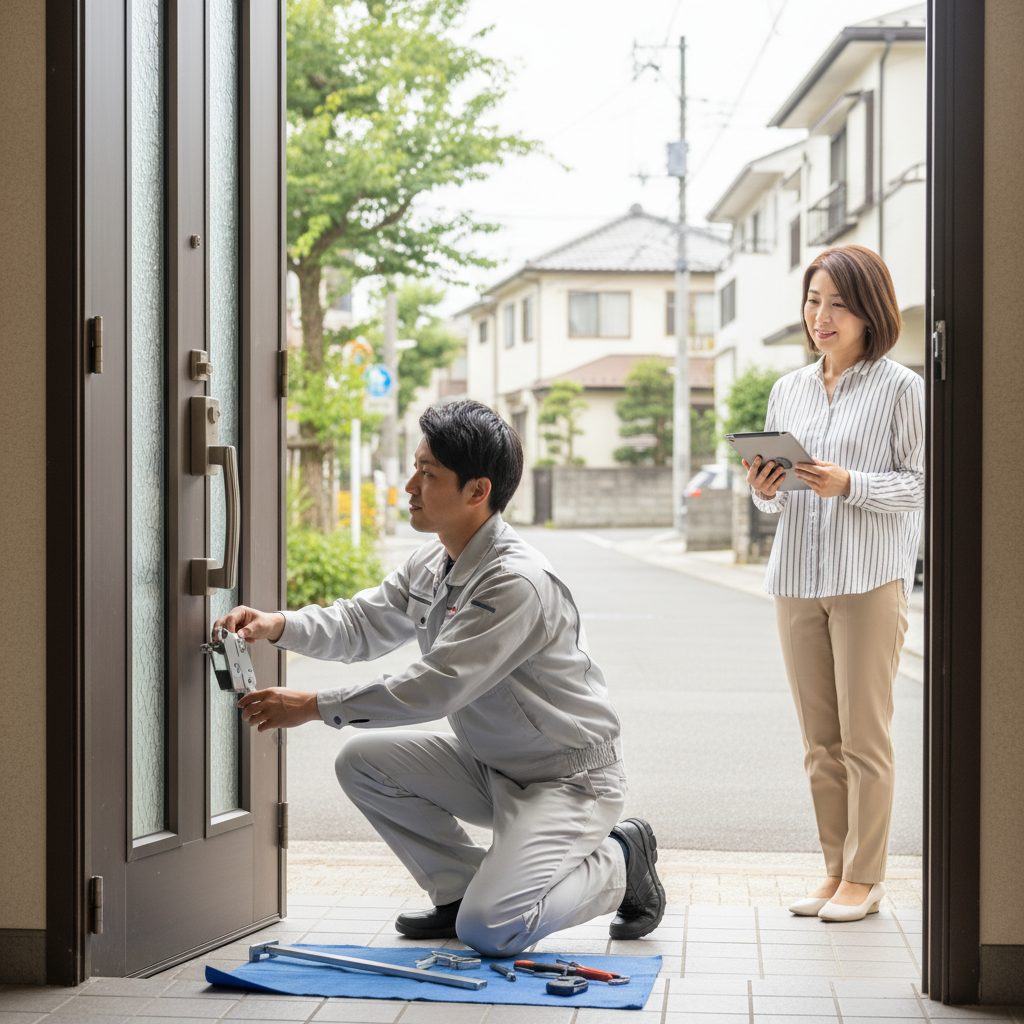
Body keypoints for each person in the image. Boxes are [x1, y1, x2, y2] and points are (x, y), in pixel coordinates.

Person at [215, 399, 665, 956]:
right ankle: (458, 892)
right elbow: (362, 623)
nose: (410, 485)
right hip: (492, 766)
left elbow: (435, 686)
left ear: (477, 492)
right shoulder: (433, 559)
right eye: (415, 467)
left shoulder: (515, 583)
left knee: (493, 930)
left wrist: (311, 705)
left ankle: (622, 859)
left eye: (427, 474)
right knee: (363, 761)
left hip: (567, 781)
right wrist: (278, 625)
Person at [745, 245, 924, 923]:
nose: (822, 316)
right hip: (797, 577)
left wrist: (850, 484)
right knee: (819, 740)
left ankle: (866, 877)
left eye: (839, 304)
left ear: (870, 310)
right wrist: (765, 489)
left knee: (864, 737)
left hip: (867, 580)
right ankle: (834, 868)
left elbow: (920, 487)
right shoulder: (788, 389)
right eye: (814, 301)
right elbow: (778, 501)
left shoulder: (901, 388)